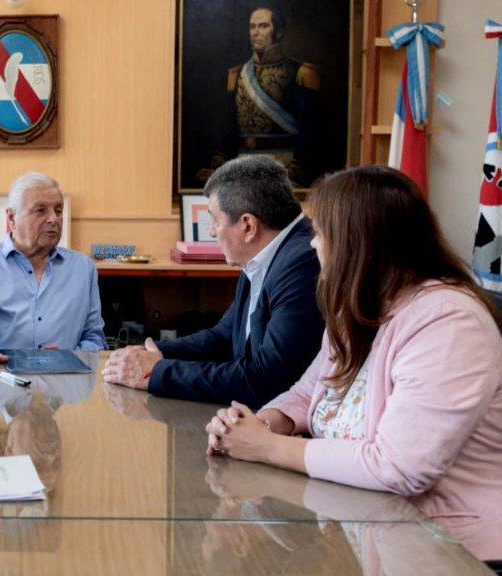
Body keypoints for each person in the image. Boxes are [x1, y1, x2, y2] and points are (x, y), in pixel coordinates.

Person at [205, 166, 502, 561]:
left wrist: (266, 446)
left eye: (320, 233)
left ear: (355, 241)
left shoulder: (449, 322)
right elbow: (311, 391)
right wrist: (261, 423)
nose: (313, 245)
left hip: (450, 549)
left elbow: (399, 467)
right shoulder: (361, 307)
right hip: (363, 528)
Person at [103, 156, 324, 407]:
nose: (211, 231)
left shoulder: (304, 263)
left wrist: (156, 372)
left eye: (216, 221)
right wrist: (150, 352)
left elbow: (267, 381)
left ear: (248, 226)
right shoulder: (266, 253)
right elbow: (223, 338)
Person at [0, 172, 106, 368]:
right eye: (40, 210)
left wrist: (71, 357)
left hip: (64, 379)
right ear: (12, 218)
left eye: (58, 211)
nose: (53, 219)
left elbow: (94, 338)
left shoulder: (83, 267)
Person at [196, 6, 319, 187]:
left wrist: (296, 172)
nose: (255, 32)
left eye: (263, 26)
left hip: (282, 164)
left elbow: (309, 130)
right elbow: (230, 129)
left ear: (279, 32)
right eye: (252, 27)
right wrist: (218, 167)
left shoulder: (300, 73)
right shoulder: (237, 74)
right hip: (241, 164)